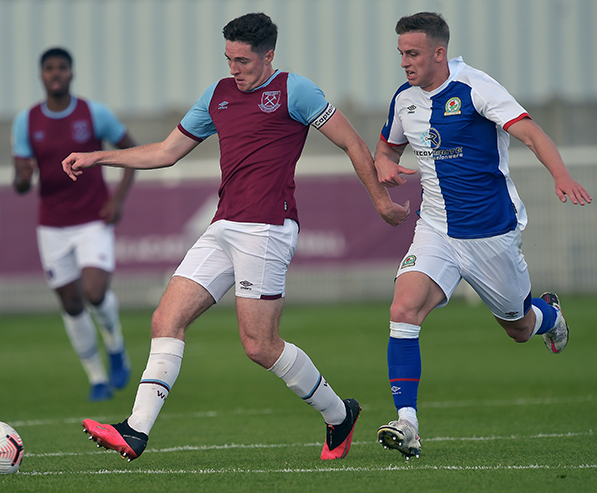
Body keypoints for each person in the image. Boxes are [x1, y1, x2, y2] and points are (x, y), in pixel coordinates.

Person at [62, 13, 410, 461]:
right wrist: (98, 157)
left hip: (267, 229)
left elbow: (352, 143)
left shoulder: (296, 90)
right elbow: (167, 152)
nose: (234, 69)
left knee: (259, 346)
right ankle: (135, 431)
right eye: (228, 58)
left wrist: (380, 202)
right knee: (165, 320)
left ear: (269, 56)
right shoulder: (218, 95)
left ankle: (339, 414)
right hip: (223, 227)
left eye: (243, 60)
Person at [373, 12, 592, 460]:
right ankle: (408, 423)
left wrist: (561, 175)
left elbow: (529, 132)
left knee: (518, 327)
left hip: (490, 233)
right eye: (400, 54)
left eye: (411, 53)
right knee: (403, 307)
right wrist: (384, 167)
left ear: (439, 52)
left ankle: (549, 317)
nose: (404, 63)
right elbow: (386, 148)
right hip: (435, 229)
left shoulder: (476, 87)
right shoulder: (405, 99)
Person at [11, 47, 137, 402]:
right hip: (52, 227)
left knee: (95, 292)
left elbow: (131, 153)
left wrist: (118, 199)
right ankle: (97, 378)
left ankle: (115, 344)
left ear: (71, 73)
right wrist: (22, 177)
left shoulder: (93, 114)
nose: (56, 74)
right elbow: (20, 182)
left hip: (92, 219)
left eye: (62, 68)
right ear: (41, 75)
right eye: (49, 68)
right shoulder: (27, 121)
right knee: (71, 304)